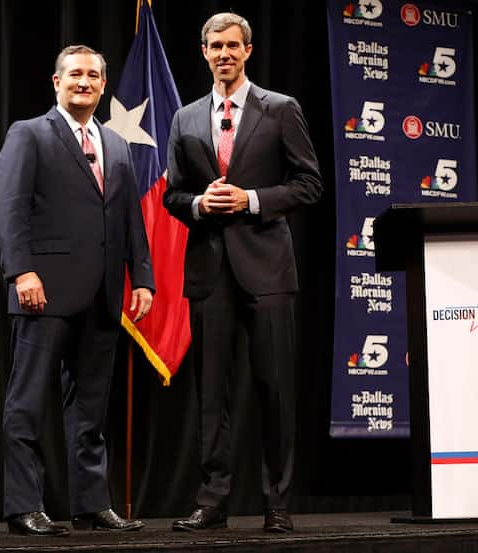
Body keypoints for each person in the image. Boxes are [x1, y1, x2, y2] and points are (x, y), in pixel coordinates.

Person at [164, 13, 322, 533]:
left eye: (233, 45)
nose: (224, 53)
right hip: (210, 272)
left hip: (269, 271)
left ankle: (278, 501)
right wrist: (199, 204)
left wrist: (252, 199)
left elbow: (308, 185)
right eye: (215, 46)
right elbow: (171, 195)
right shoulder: (185, 118)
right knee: (213, 394)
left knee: (275, 387)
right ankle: (213, 502)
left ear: (248, 50)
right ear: (204, 51)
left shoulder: (280, 109)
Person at [0, 44, 154, 537]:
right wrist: (22, 272)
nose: (84, 82)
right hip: (44, 291)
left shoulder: (117, 144)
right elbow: (11, 206)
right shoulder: (29, 134)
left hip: (104, 293)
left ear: (104, 85)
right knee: (27, 403)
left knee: (90, 410)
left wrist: (142, 277)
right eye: (75, 74)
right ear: (56, 81)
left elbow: (130, 217)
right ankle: (24, 506)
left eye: (93, 75)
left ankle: (91, 504)